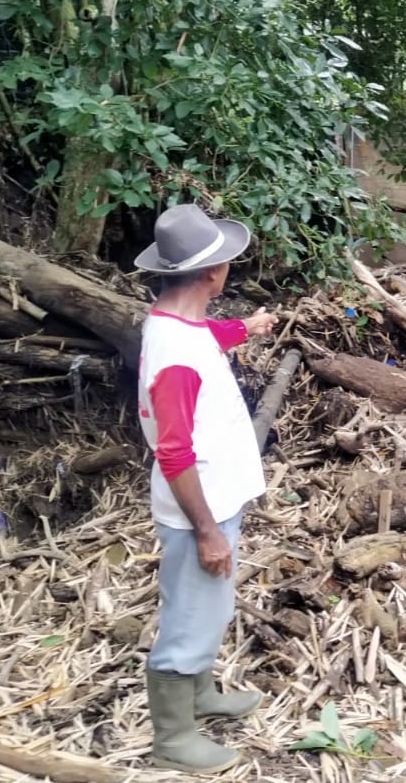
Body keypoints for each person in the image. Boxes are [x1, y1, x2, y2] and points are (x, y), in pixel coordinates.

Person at [133, 203, 277, 773]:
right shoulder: (176, 358)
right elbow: (172, 450)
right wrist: (207, 531)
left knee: (207, 606)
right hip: (200, 509)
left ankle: (200, 695)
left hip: (216, 497)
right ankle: (173, 736)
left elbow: (204, 336)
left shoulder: (171, 322)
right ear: (213, 274)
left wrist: (247, 328)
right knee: (190, 615)